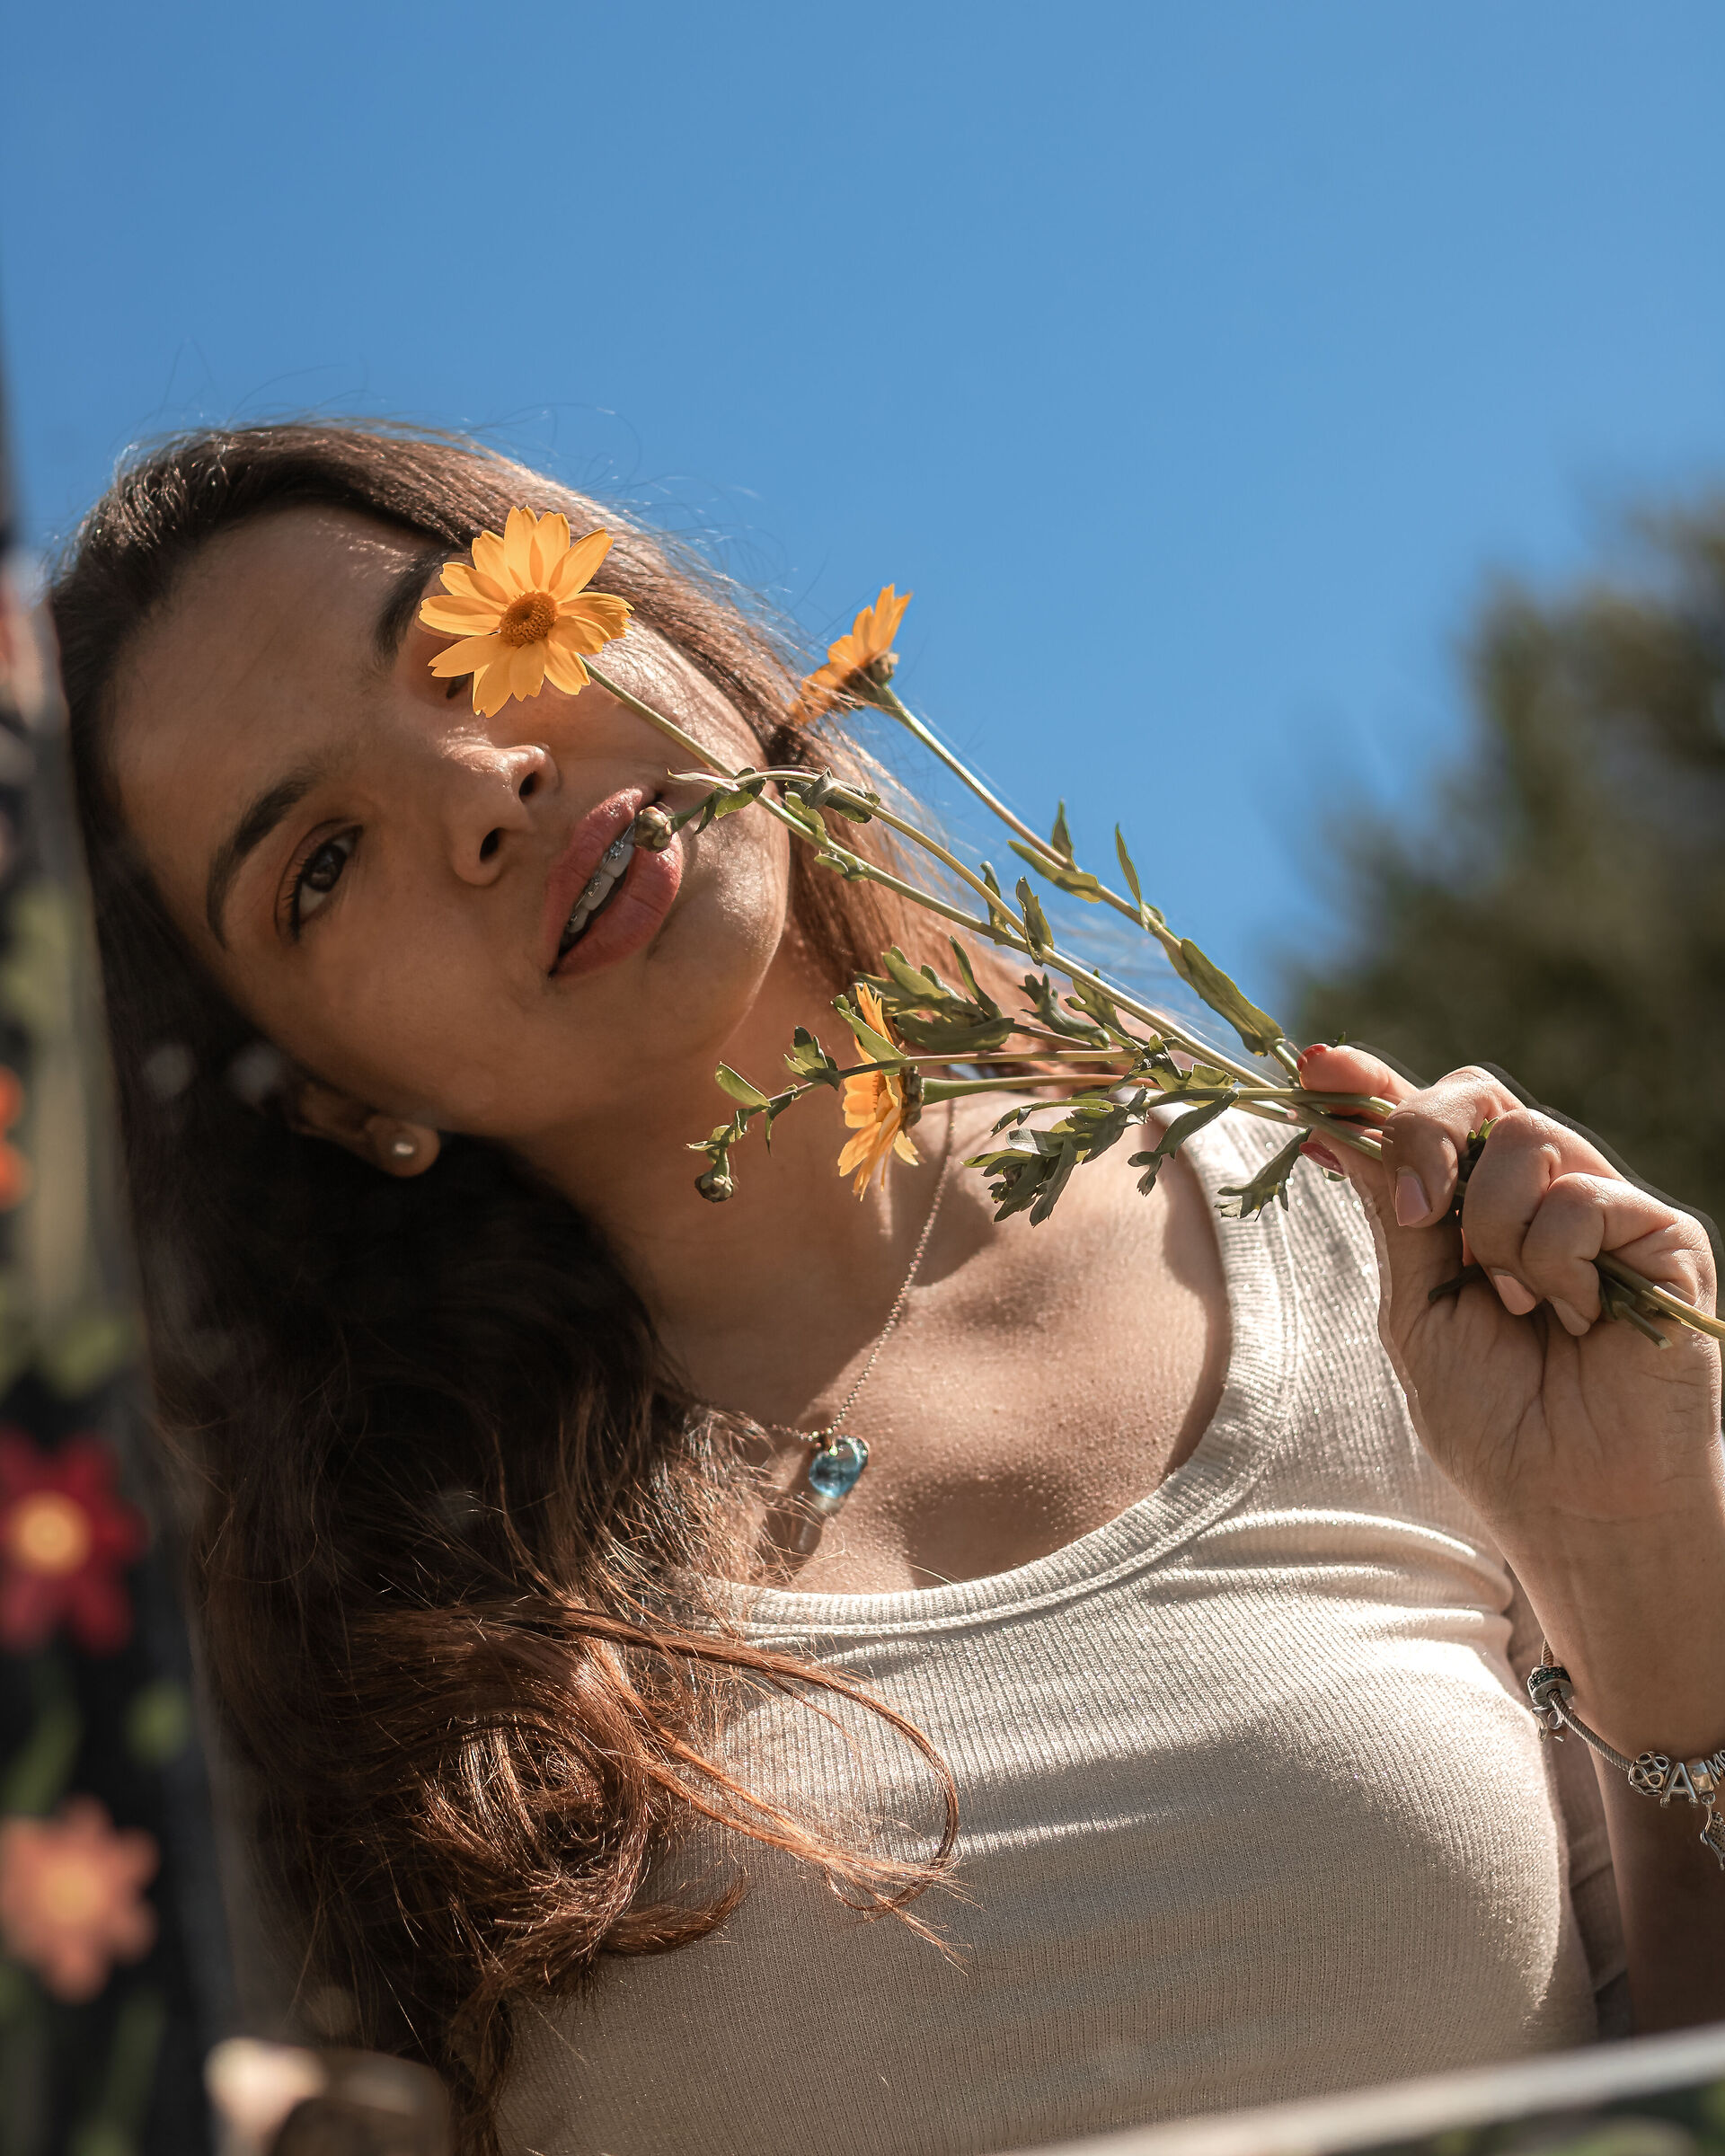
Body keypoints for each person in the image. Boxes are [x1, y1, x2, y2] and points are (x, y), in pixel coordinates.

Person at [52, 423, 1722, 2156]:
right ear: (331, 1099)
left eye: (477, 638)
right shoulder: (326, 1649)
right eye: (320, 863)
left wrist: (1644, 1569)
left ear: (645, 617)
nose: (481, 790)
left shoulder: (1387, 1262)